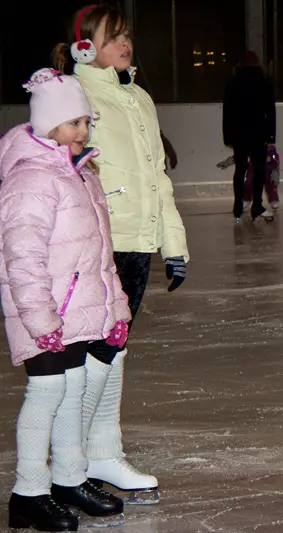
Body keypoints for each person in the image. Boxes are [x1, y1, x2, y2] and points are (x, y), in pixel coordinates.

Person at [51, 3, 190, 503]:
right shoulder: (75, 95)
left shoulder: (139, 97)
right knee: (92, 351)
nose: (125, 43)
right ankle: (70, 462)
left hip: (137, 241)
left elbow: (157, 177)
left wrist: (173, 244)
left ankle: (102, 452)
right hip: (98, 241)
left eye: (126, 34)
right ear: (85, 48)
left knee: (113, 347)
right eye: (112, 37)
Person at [0, 68, 129, 531]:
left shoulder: (81, 174)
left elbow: (101, 257)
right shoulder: (30, 179)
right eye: (73, 122)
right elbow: (21, 257)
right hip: (42, 312)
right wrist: (40, 321)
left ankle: (69, 479)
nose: (83, 131)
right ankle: (29, 492)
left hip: (76, 312)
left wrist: (115, 309)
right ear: (48, 123)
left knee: (73, 389)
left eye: (86, 122)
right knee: (49, 391)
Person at [222, 51, 277, 222]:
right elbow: (270, 110)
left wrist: (227, 136)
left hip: (239, 133)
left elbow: (227, 111)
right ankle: (257, 205)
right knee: (259, 170)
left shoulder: (233, 82)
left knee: (240, 169)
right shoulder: (264, 81)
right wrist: (271, 135)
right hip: (259, 132)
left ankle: (238, 205)